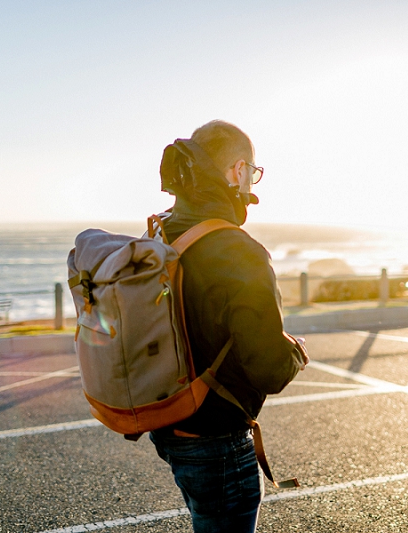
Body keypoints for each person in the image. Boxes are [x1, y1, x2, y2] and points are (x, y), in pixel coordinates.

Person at [149, 120, 309, 532]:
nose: (252, 182)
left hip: (170, 426)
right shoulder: (240, 253)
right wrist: (294, 352)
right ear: (238, 172)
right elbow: (268, 369)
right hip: (216, 440)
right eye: (252, 172)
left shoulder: (164, 231)